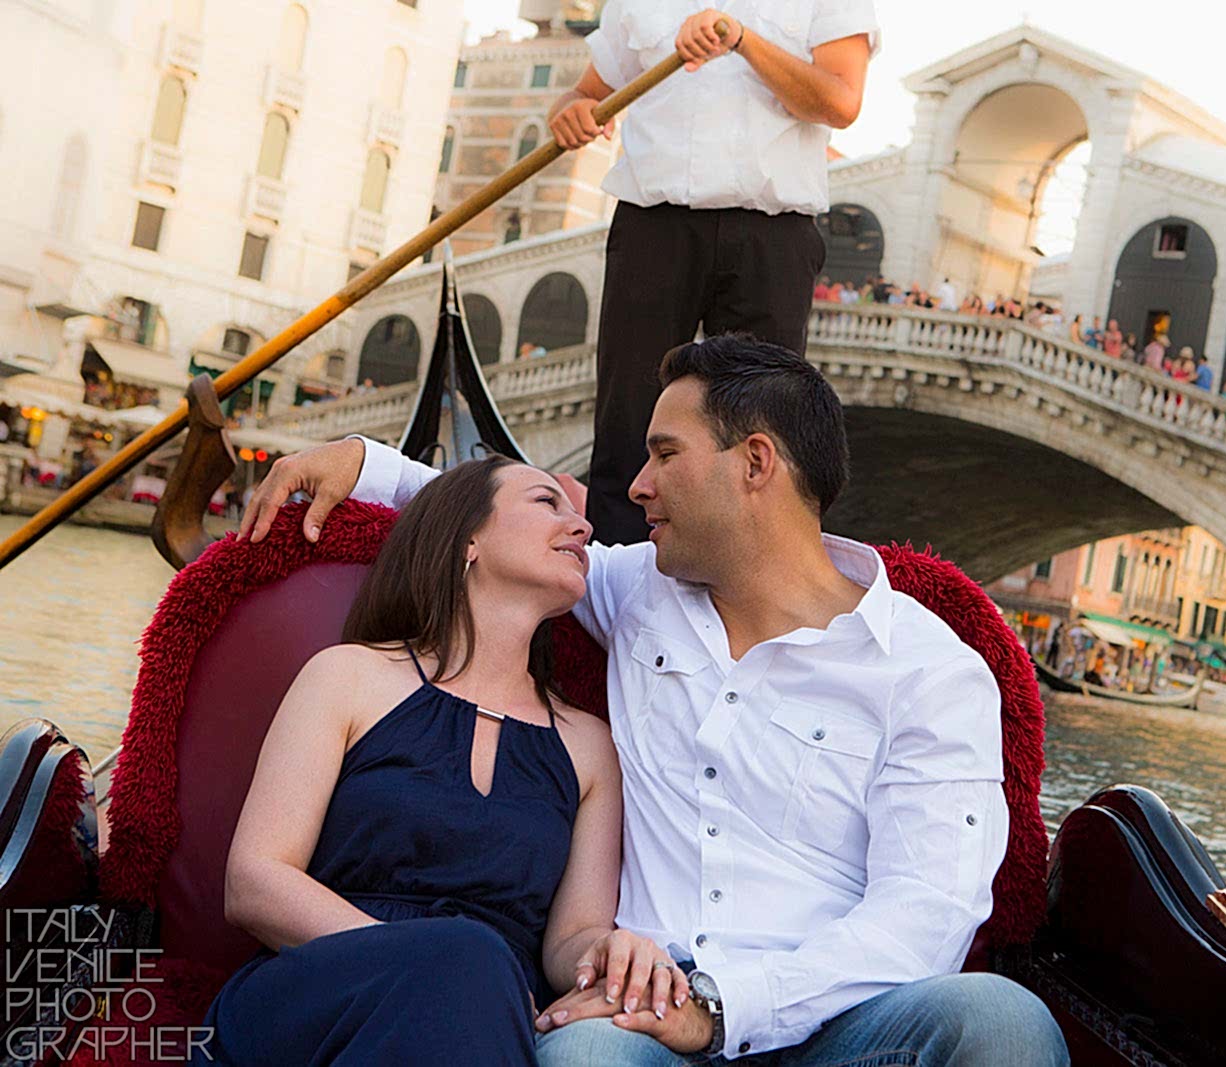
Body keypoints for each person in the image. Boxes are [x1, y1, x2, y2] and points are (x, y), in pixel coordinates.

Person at [239, 336, 1068, 1066]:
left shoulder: (931, 669)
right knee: (587, 1056)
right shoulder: (639, 589)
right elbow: (490, 530)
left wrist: (716, 1006)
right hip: (634, 1023)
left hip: (839, 1028)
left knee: (998, 1020)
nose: (633, 488)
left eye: (664, 455)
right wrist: (363, 461)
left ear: (754, 463)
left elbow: (926, 914)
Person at [197, 457, 635, 1065]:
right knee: (465, 958)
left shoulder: (591, 745)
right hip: (321, 993)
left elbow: (572, 937)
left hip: (486, 1016)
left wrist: (611, 957)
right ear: (469, 540)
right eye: (546, 503)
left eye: (575, 513)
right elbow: (255, 882)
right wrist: (426, 961)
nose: (582, 528)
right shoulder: (347, 676)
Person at [548, 2, 877, 546]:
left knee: (761, 431)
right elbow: (584, 94)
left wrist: (743, 40)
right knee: (627, 423)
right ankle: (614, 595)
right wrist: (570, 110)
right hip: (652, 228)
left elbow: (840, 103)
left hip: (771, 236)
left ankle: (747, 591)